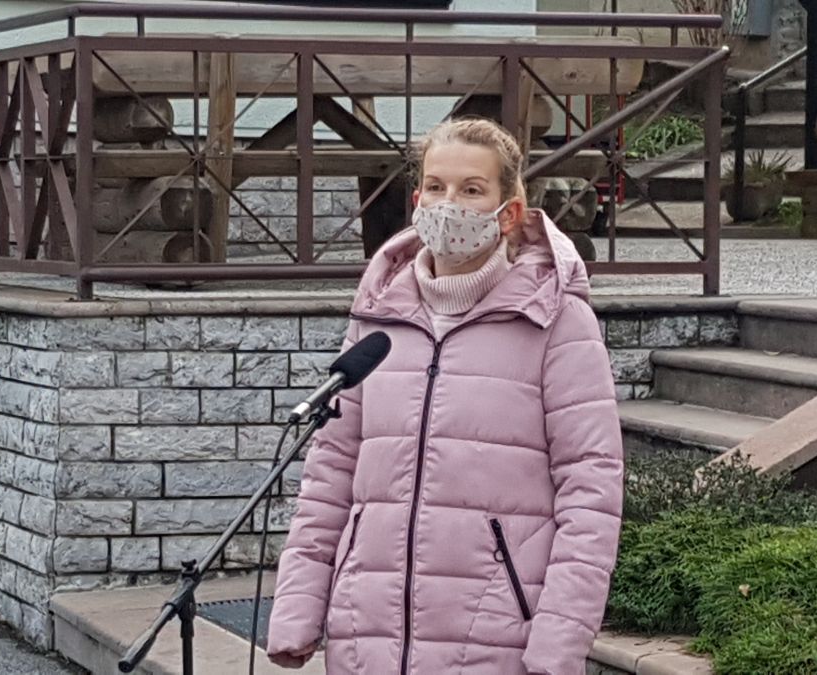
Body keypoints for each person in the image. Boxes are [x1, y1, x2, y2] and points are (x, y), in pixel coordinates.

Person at [266, 117, 624, 675]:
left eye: (471, 189)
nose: (448, 203)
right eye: (435, 186)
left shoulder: (557, 320)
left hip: (494, 643)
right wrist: (296, 611)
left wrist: (559, 645)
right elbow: (331, 470)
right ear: (416, 201)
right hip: (367, 637)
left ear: (508, 212)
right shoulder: (378, 315)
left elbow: (591, 492)